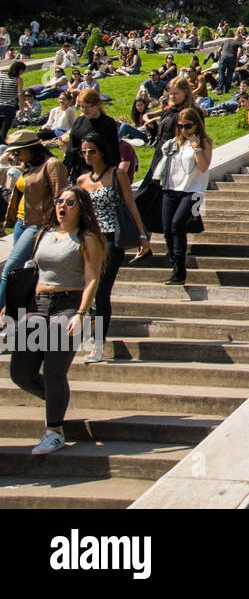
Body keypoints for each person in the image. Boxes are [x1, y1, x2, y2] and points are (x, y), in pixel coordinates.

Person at [8, 185, 107, 454]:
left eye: (70, 203)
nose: (62, 206)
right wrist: (11, 305)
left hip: (68, 305)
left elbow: (92, 279)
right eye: (59, 201)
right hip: (36, 305)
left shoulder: (87, 238)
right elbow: (32, 271)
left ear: (82, 208)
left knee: (54, 371)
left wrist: (81, 313)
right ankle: (55, 400)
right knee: (21, 373)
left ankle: (54, 431)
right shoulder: (45, 233)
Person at [75, 135, 149, 362]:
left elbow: (130, 204)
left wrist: (142, 235)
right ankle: (88, 338)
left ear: (103, 152)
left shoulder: (117, 175)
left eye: (92, 151)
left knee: (101, 291)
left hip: (111, 239)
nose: (87, 155)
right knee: (87, 290)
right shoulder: (81, 181)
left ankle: (98, 344)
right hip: (88, 238)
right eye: (84, 152)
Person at [1, 131, 69, 310]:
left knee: (9, 269)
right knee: (24, 272)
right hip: (20, 222)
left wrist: (57, 226)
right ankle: (17, 310)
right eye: (13, 153)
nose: (16, 157)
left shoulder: (52, 165)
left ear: (32, 148)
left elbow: (60, 196)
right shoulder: (29, 165)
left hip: (38, 224)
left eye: (18, 152)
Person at [158, 108, 212, 284]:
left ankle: (179, 270)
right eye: (180, 126)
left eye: (187, 126)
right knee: (167, 230)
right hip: (170, 189)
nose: (184, 130)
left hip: (193, 191)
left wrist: (196, 148)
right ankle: (175, 265)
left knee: (177, 225)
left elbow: (204, 167)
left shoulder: (204, 142)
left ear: (196, 124)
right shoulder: (174, 143)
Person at [62, 90, 121, 181]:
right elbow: (71, 147)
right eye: (82, 107)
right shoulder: (79, 121)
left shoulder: (108, 123)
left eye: (88, 107)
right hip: (78, 169)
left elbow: (113, 150)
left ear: (98, 104)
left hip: (98, 171)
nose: (84, 110)